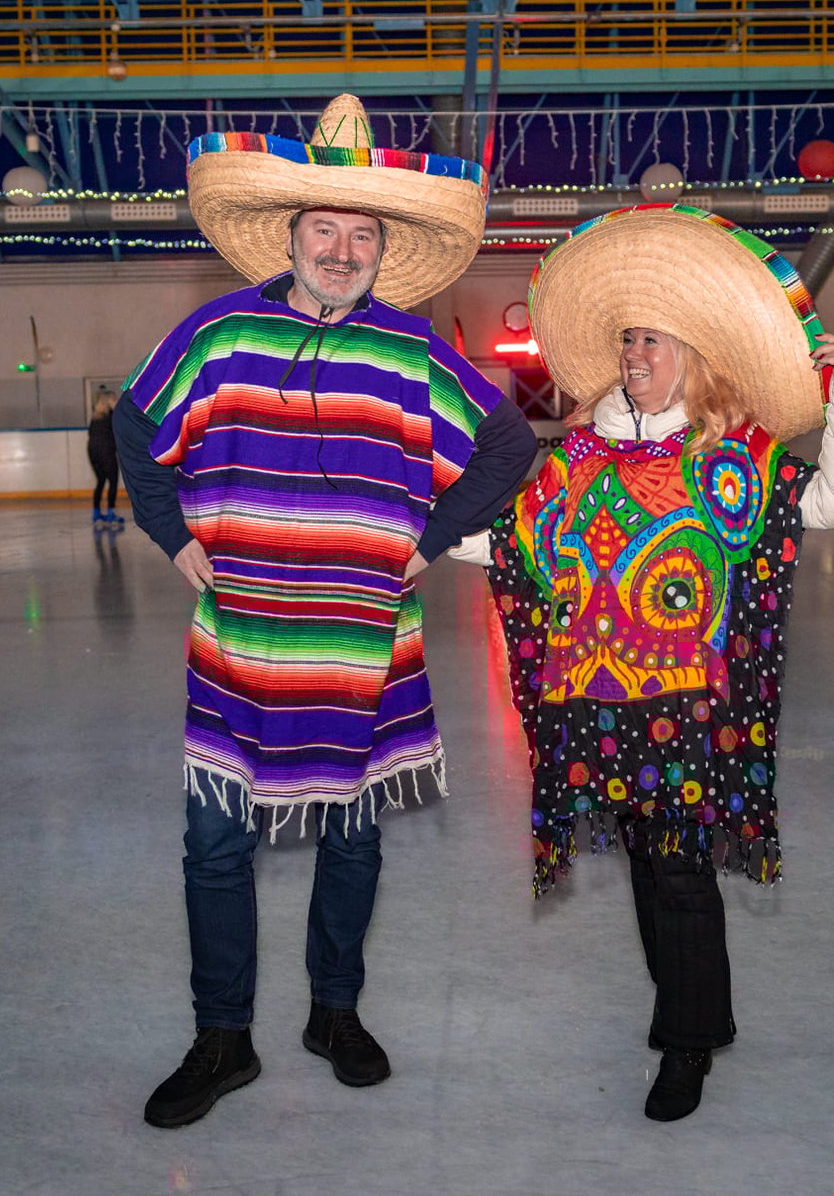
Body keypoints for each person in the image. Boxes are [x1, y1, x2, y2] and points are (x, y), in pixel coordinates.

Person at [117, 94, 536, 1130]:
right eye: (325, 230)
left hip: (361, 645)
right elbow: (135, 420)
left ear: (381, 249)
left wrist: (425, 541)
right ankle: (222, 1037)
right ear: (291, 236)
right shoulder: (220, 332)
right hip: (239, 643)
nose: (342, 251)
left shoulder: (410, 351)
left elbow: (507, 447)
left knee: (352, 839)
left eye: (361, 235)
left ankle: (334, 1013)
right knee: (215, 847)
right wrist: (172, 535)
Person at [451, 204, 834, 1122]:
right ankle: (697, 1015)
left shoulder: (733, 456)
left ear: (695, 354)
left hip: (691, 710)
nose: (634, 353)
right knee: (650, 867)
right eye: (627, 338)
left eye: (652, 338)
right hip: (598, 704)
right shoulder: (577, 457)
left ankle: (686, 1045)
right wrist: (401, 521)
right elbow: (515, 546)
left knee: (680, 870)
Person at [87, 390, 123, 527]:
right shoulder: (113, 415)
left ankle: (96, 513)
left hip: (92, 451)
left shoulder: (95, 417)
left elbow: (90, 434)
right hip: (106, 451)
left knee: (101, 480)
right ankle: (111, 513)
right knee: (113, 481)